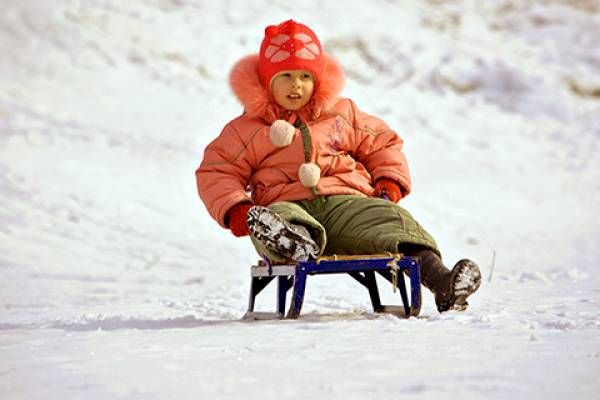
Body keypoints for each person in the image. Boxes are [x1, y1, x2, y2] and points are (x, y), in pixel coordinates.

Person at [195, 19, 481, 312]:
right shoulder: (248, 129)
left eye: (305, 76)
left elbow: (381, 142)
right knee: (274, 218)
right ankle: (292, 242)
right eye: (286, 76)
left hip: (344, 204)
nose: (296, 85)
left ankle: (443, 282)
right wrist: (237, 209)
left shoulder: (340, 113)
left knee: (390, 219)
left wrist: (388, 181)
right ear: (267, 82)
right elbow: (218, 169)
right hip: (285, 204)